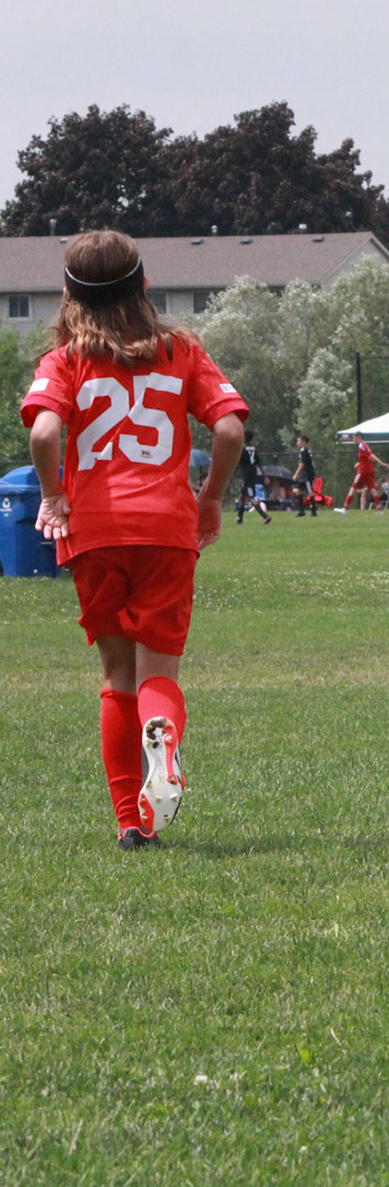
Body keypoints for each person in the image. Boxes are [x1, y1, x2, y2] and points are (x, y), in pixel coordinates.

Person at [19, 230, 248, 849]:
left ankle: (130, 822)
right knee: (157, 674)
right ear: (145, 285)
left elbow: (44, 434)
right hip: (166, 530)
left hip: (94, 532)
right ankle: (163, 737)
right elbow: (229, 430)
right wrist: (210, 500)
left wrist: (53, 495)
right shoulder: (181, 350)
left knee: (116, 674)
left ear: (68, 296)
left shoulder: (65, 360)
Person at [234, 428, 273, 525]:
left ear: (245, 437)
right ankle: (239, 518)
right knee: (242, 496)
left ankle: (265, 516)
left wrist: (233, 473)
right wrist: (265, 476)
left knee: (251, 497)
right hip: (253, 473)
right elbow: (259, 464)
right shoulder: (254, 449)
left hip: (246, 475)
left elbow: (237, 463)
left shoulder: (242, 449)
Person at [344, 430, 388, 511]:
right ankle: (379, 509)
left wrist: (381, 463)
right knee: (372, 489)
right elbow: (369, 458)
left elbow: (371, 455)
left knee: (353, 488)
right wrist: (359, 463)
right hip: (370, 470)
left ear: (359, 437)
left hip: (363, 471)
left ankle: (345, 508)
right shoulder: (365, 446)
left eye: (354, 438)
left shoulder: (362, 445)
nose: (353, 440)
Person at [292, 432, 318, 516]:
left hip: (307, 475)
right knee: (298, 491)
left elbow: (302, 463)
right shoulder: (303, 451)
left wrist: (296, 474)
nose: (297, 443)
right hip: (303, 476)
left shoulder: (305, 451)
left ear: (304, 442)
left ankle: (313, 511)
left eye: (299, 441)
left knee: (310, 492)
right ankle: (301, 511)